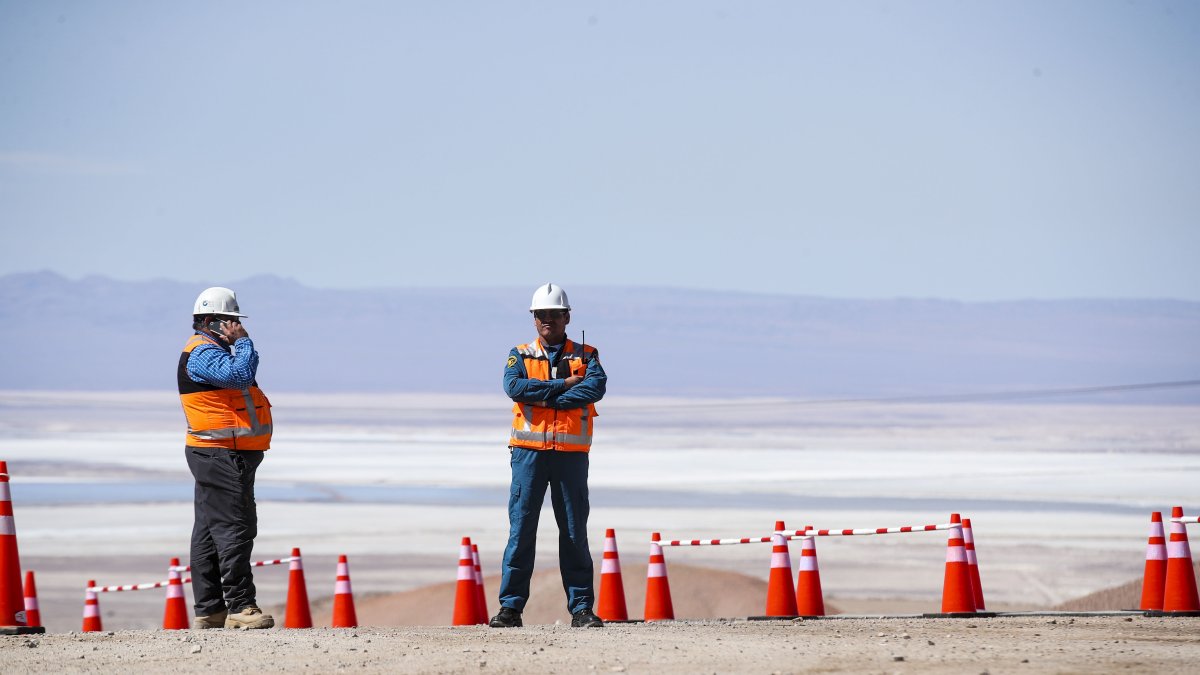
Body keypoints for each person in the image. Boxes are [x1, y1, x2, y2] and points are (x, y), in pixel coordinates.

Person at [491, 283, 608, 628]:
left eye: (554, 315)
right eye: (541, 315)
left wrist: (545, 398)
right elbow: (515, 388)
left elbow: (595, 388)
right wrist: (564, 385)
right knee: (521, 531)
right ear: (533, 319)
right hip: (528, 455)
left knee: (573, 532)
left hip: (570, 456)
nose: (547, 321)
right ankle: (510, 609)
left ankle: (582, 610)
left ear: (566, 317)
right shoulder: (520, 354)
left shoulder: (586, 355)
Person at [178, 287, 275, 630]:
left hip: (222, 452)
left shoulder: (215, 351)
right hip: (221, 454)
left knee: (208, 530)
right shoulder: (204, 353)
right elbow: (240, 375)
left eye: (237, 321)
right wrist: (245, 342)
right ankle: (241, 606)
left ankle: (210, 609)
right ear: (210, 321)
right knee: (235, 527)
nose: (235, 325)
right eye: (230, 320)